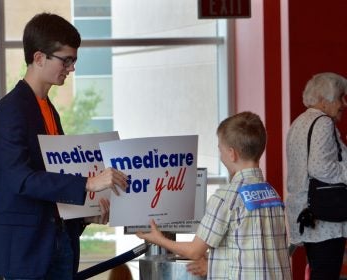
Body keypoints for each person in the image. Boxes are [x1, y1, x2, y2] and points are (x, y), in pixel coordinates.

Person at [0, 13, 128, 280]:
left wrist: (84, 216)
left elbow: (51, 180)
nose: (72, 68)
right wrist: (87, 183)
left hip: (57, 244)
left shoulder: (49, 110)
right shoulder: (10, 110)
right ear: (39, 58)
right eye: (67, 59)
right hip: (26, 253)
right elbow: (21, 179)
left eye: (73, 60)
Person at [137, 111, 292, 279]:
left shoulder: (226, 197)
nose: (221, 156)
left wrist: (159, 239)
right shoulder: (272, 194)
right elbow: (254, 249)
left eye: (220, 150)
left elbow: (194, 251)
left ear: (232, 154)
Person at [286, 72, 347, 280]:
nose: (343, 104)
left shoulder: (298, 123)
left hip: (307, 214)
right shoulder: (324, 123)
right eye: (340, 97)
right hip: (325, 219)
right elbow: (321, 168)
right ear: (323, 99)